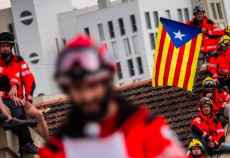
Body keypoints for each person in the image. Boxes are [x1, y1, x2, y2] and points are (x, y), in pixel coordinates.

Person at [39, 35, 186, 158]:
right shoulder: (57, 147)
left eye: (92, 85)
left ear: (107, 81)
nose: (86, 96)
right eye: (77, 89)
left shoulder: (146, 128)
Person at [0, 32, 49, 154]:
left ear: (11, 47)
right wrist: (13, 84)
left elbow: (30, 80)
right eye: (2, 46)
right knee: (15, 109)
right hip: (5, 99)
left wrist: (28, 99)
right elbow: (4, 79)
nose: (4, 48)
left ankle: (50, 145)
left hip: (21, 100)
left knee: (38, 115)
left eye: (7, 46)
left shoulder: (19, 60)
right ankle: (26, 143)